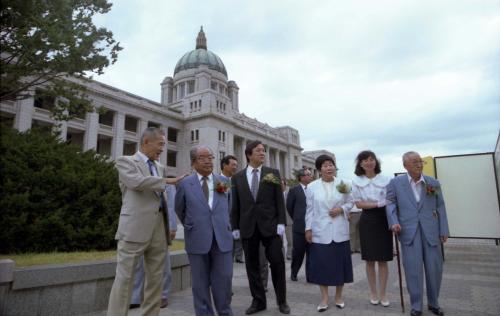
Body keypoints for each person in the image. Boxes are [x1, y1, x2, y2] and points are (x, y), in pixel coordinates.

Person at [107, 127, 186, 316]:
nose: (162, 149)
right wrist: (169, 181)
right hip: (134, 228)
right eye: (160, 144)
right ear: (145, 142)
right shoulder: (125, 162)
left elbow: (163, 199)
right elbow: (137, 182)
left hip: (159, 228)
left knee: (156, 277)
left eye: (164, 145)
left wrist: (170, 225)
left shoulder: (159, 167)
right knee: (124, 278)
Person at [386, 151, 449, 316]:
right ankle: (416, 306)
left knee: (434, 268)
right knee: (413, 269)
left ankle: (434, 303)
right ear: (405, 165)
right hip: (408, 232)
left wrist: (443, 229)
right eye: (414, 162)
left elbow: (440, 206)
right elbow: (390, 203)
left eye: (420, 161)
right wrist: (394, 222)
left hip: (431, 231)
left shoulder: (432, 183)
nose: (419, 164)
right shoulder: (396, 183)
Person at [231, 140, 290, 315]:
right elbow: (236, 205)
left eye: (264, 150)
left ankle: (282, 301)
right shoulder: (237, 177)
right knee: (252, 266)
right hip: (248, 227)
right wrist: (235, 226)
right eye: (259, 151)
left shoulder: (273, 173)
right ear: (249, 154)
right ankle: (258, 301)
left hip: (271, 227)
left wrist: (281, 223)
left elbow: (279, 201)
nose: (263, 153)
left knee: (278, 263)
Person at [175, 145, 234, 316]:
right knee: (200, 284)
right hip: (197, 238)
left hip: (222, 239)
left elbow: (228, 207)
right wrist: (193, 223)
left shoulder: (223, 182)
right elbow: (180, 208)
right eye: (203, 157)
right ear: (193, 162)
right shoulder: (185, 183)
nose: (208, 160)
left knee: (223, 281)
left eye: (210, 157)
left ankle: (225, 312)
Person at [305, 154, 354, 312]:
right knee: (322, 266)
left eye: (331, 164)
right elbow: (309, 210)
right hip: (320, 232)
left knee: (340, 265)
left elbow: (350, 202)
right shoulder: (312, 186)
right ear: (319, 169)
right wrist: (308, 228)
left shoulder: (342, 184)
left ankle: (339, 297)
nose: (329, 168)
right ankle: (325, 298)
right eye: (325, 165)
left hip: (339, 230)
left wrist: (341, 209)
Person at [351, 150, 392, 307]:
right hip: (367, 219)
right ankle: (373, 292)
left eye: (372, 159)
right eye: (365, 160)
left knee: (383, 259)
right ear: (360, 164)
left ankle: (383, 293)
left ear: (376, 161)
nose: (369, 162)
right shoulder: (356, 181)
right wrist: (377, 204)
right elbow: (358, 203)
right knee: (369, 259)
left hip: (383, 219)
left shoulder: (385, 179)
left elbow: (390, 199)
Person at [130, 183, 178, 309]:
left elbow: (171, 206)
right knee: (138, 262)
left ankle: (163, 295)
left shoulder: (168, 186)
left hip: (161, 224)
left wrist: (172, 227)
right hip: (140, 223)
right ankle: (135, 296)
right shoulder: (138, 179)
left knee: (163, 261)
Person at [286, 168, 313, 281]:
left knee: (312, 254)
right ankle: (294, 272)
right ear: (301, 177)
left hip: (313, 227)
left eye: (310, 175)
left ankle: (310, 276)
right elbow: (289, 207)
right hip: (299, 227)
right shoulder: (294, 190)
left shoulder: (314, 189)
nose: (310, 177)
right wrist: (297, 218)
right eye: (307, 175)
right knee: (298, 252)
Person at [220, 155, 243, 263]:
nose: (235, 167)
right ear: (224, 165)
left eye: (236, 165)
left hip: (237, 221)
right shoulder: (217, 180)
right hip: (222, 222)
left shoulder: (238, 181)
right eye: (233, 165)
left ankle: (237, 257)